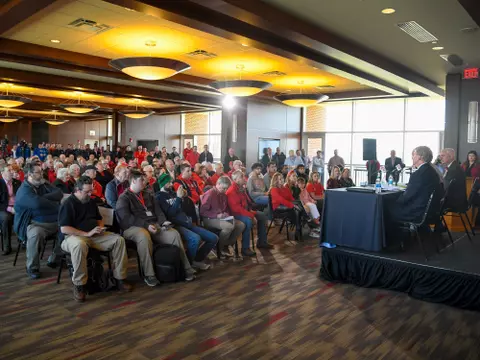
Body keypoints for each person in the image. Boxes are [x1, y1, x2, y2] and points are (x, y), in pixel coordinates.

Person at [58, 176, 132, 302]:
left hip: (93, 235)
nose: (90, 194)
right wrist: (86, 234)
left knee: (119, 240)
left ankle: (120, 278)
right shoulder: (68, 203)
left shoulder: (90, 201)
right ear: (77, 190)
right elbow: (64, 229)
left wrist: (100, 227)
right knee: (79, 245)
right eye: (87, 191)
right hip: (73, 236)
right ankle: (79, 285)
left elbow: (99, 218)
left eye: (91, 190)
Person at [116, 170, 195, 283]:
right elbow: (125, 219)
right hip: (133, 227)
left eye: (144, 180)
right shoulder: (124, 198)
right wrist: (145, 225)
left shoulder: (148, 195)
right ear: (133, 181)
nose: (145, 182)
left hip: (153, 225)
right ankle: (149, 274)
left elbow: (158, 212)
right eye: (141, 180)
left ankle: (186, 268)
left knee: (173, 234)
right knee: (143, 236)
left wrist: (163, 222)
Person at [156, 173, 218, 270]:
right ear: (163, 184)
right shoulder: (159, 197)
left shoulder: (173, 193)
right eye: (168, 182)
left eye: (171, 182)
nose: (171, 184)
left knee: (213, 238)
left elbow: (181, 209)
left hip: (186, 221)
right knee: (195, 239)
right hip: (175, 224)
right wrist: (178, 198)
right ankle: (188, 264)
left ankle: (196, 259)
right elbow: (170, 214)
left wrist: (183, 197)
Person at [14, 162, 62, 279]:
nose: (42, 174)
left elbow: (58, 193)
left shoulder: (43, 184)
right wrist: (47, 202)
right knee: (35, 234)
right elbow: (37, 203)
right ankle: (32, 267)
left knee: (67, 228)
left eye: (41, 171)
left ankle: (54, 258)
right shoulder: (24, 190)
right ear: (29, 174)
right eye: (38, 172)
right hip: (35, 224)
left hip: (54, 221)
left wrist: (43, 199)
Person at [391, 146, 442, 223]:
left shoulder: (418, 174)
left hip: (417, 211)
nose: (412, 157)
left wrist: (392, 200)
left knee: (387, 209)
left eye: (414, 155)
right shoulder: (432, 171)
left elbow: (407, 197)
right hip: (430, 210)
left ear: (420, 157)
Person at [227, 170, 271, 256]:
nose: (244, 178)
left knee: (262, 215)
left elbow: (248, 202)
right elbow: (236, 209)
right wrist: (251, 215)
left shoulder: (241, 188)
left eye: (243, 176)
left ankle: (262, 241)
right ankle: (245, 248)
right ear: (235, 179)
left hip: (245, 211)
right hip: (235, 214)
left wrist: (251, 210)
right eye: (241, 177)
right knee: (248, 221)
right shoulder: (232, 191)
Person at [200, 176, 245, 258]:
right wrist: (216, 215)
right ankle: (219, 248)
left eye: (226, 189)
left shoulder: (223, 194)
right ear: (218, 184)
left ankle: (224, 244)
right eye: (223, 188)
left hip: (222, 217)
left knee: (241, 225)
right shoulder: (210, 194)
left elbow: (226, 209)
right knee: (229, 226)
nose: (225, 190)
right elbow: (203, 212)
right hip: (209, 219)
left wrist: (227, 215)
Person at [269, 172, 302, 240]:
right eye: (279, 179)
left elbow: (291, 198)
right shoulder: (273, 189)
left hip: (285, 205)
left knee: (298, 203)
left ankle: (298, 229)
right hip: (278, 207)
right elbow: (281, 200)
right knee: (296, 208)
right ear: (276, 181)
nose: (282, 180)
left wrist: (295, 203)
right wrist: (293, 205)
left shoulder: (285, 188)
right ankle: (299, 228)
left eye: (282, 178)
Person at [0, 165, 21, 255]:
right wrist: (9, 208)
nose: (11, 172)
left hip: (16, 207)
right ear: (2, 173)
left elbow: (22, 197)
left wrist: (17, 208)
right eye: (9, 170)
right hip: (3, 208)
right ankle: (7, 245)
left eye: (12, 170)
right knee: (6, 219)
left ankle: (23, 240)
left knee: (27, 214)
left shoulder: (17, 182)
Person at [440, 148, 467, 212]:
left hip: (454, 202)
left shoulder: (454, 169)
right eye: (440, 156)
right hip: (455, 200)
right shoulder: (453, 166)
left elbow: (445, 187)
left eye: (443, 156)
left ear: (451, 156)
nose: (440, 158)